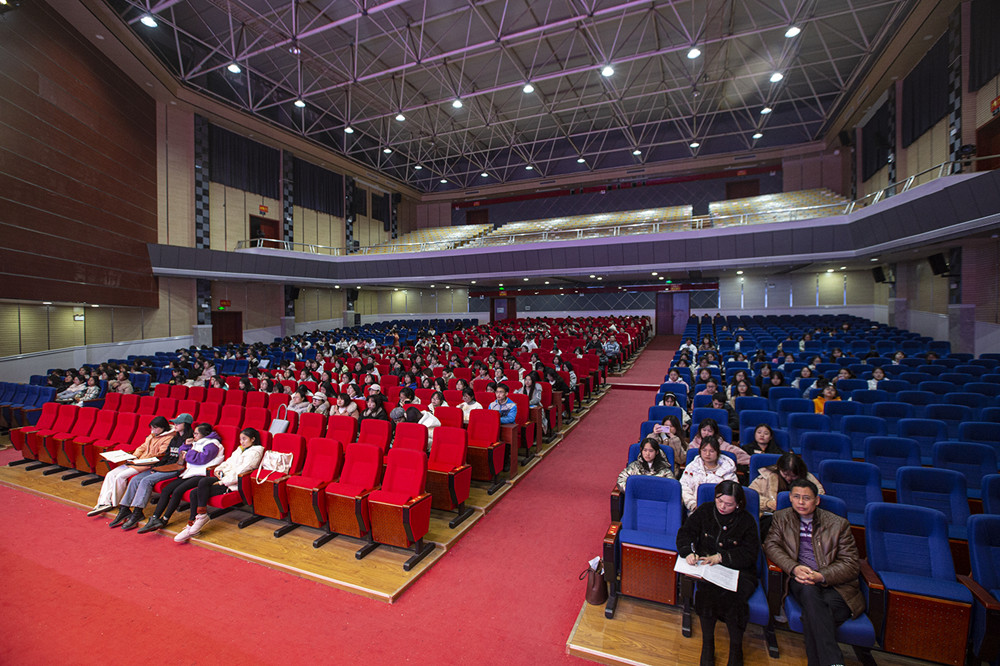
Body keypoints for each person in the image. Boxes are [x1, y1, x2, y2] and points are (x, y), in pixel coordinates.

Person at [763, 479, 863, 666]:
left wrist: (821, 575)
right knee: (809, 591)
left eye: (806, 498)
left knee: (813, 614)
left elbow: (851, 564)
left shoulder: (838, 524)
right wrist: (793, 567)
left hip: (836, 586)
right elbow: (771, 545)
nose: (801, 502)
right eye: (796, 497)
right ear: (790, 499)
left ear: (817, 500)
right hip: (801, 578)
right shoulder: (781, 517)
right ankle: (834, 661)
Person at [676, 481, 759, 666]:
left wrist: (722, 557)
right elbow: (685, 533)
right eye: (719, 501)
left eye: (729, 504)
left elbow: (750, 554)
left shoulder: (746, 521)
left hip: (739, 571)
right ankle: (708, 646)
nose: (722, 507)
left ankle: (736, 649)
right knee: (706, 597)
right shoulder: (706, 510)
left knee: (734, 601)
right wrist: (688, 552)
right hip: (709, 569)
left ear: (738, 503)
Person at [174, 427, 265, 543]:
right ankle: (193, 522)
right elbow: (228, 462)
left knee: (199, 488)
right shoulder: (240, 449)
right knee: (195, 492)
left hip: (232, 484)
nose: (241, 442)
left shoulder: (255, 452)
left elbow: (242, 471)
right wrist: (219, 470)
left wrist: (222, 481)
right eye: (240, 439)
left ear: (253, 439)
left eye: (244, 439)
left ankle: (199, 519)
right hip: (224, 477)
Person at [137, 423, 225, 533]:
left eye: (196, 433)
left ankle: (165, 519)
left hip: (202, 474)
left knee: (177, 491)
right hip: (189, 472)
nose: (194, 435)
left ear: (205, 434)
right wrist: (186, 445)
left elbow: (200, 459)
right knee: (167, 489)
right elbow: (182, 453)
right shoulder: (197, 442)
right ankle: (155, 518)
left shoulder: (213, 444)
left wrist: (187, 453)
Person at [116, 414, 194, 530]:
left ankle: (138, 512)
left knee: (146, 481)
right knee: (136, 479)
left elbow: (183, 461)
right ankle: (124, 508)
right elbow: (167, 456)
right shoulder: (175, 438)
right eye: (175, 423)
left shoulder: (190, 440)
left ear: (186, 425)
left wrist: (187, 446)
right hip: (166, 466)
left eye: (178, 423)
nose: (175, 425)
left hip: (177, 468)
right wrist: (157, 467)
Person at [88, 416, 175, 519]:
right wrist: (134, 456)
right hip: (137, 461)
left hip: (146, 464)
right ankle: (103, 502)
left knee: (120, 476)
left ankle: (113, 502)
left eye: (155, 428)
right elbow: (142, 447)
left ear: (163, 427)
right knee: (110, 474)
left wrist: (139, 460)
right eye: (152, 428)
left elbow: (160, 454)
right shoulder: (152, 435)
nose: (153, 430)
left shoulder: (169, 438)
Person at [749, 452, 825, 537]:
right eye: (785, 474)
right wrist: (767, 503)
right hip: (773, 517)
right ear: (779, 469)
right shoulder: (766, 478)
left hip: (801, 517)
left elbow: (819, 494)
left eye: (793, 476)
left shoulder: (808, 478)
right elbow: (751, 497)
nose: (789, 478)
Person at [681, 437, 738, 512]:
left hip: (722, 510)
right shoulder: (692, 467)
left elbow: (733, 491)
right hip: (696, 509)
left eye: (711, 451)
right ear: (700, 451)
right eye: (704, 450)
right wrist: (693, 505)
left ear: (717, 452)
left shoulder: (727, 469)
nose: (707, 454)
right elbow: (684, 487)